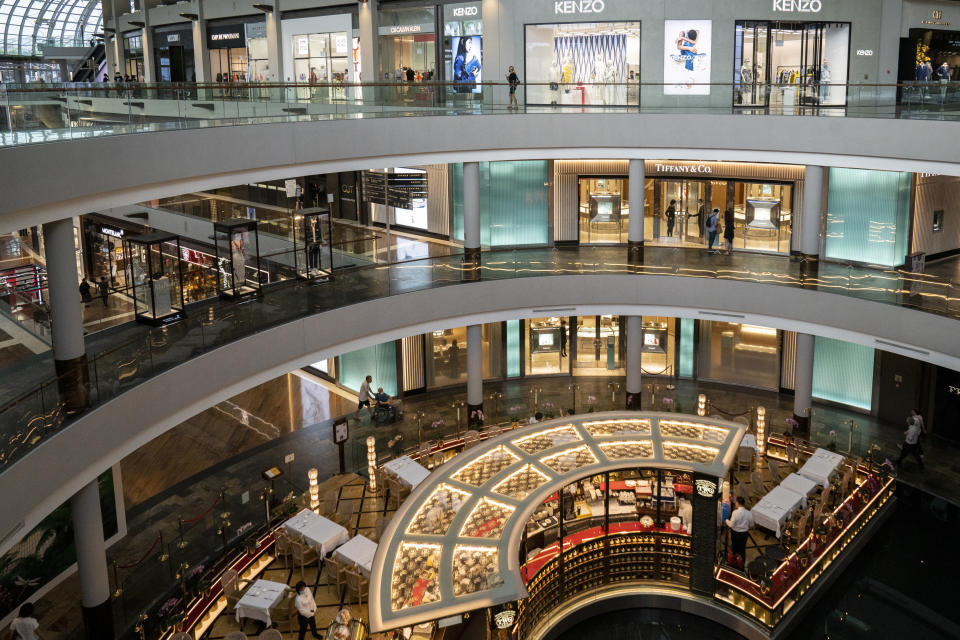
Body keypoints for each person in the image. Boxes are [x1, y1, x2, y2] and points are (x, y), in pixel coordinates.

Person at [725, 496, 753, 566]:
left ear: (737, 503)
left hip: (735, 533)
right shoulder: (749, 513)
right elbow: (752, 524)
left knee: (735, 548)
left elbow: (731, 524)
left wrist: (726, 520)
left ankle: (734, 563)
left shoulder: (735, 512)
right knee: (742, 548)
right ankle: (742, 564)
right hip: (744, 534)